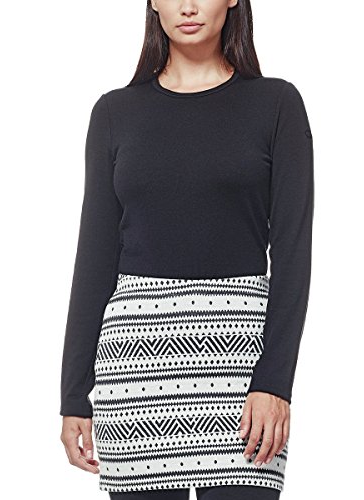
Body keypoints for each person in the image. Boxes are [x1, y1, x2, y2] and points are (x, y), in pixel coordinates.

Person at [59, 1, 314, 499]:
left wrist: (275, 382)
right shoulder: (114, 113)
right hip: (135, 373)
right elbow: (93, 259)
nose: (189, 6)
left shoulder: (276, 104)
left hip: (242, 371)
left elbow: (292, 254)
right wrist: (73, 395)